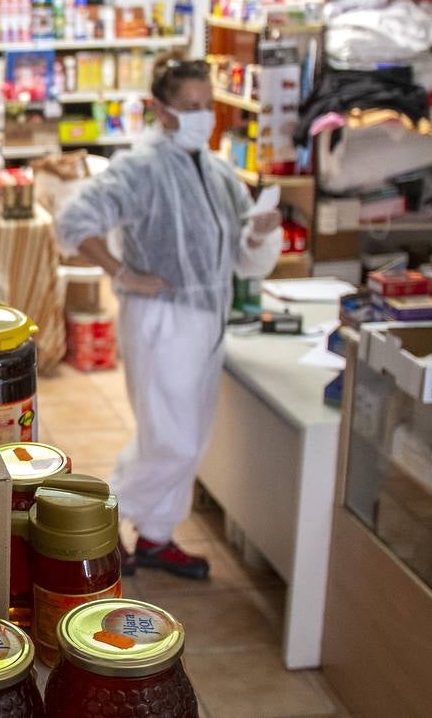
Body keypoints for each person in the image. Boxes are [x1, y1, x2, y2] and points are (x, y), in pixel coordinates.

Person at [56, 54, 282, 579]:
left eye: (208, 105)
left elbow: (244, 260)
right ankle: (100, 528)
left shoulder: (217, 169)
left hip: (208, 318)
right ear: (160, 110)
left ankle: (155, 537)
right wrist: (123, 273)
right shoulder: (143, 166)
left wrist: (258, 231)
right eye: (190, 106)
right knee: (170, 440)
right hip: (162, 319)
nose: (203, 116)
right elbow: (74, 220)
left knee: (192, 437)